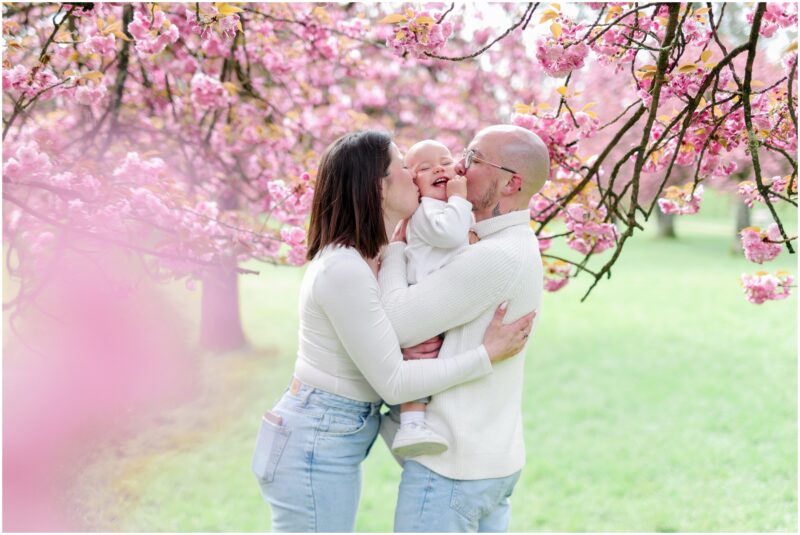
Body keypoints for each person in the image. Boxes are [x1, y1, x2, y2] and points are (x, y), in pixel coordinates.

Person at [250, 130, 536, 533]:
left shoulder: (380, 255)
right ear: (377, 187)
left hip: (337, 428)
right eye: (404, 165)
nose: (417, 175)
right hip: (315, 435)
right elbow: (397, 383)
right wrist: (484, 356)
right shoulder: (344, 269)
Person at [378, 124, 550, 532]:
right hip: (490, 463)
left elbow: (396, 323)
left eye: (474, 159)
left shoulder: (494, 257)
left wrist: (396, 248)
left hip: (452, 471)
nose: (458, 165)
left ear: (511, 183)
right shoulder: (504, 244)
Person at [389, 139, 474, 458]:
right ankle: (409, 423)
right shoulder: (426, 210)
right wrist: (460, 198)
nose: (439, 168)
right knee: (419, 362)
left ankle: (404, 419)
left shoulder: (447, 206)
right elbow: (452, 235)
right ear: (415, 184)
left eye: (446, 161)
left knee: (436, 364)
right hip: (422, 300)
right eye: (424, 168)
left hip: (442, 297)